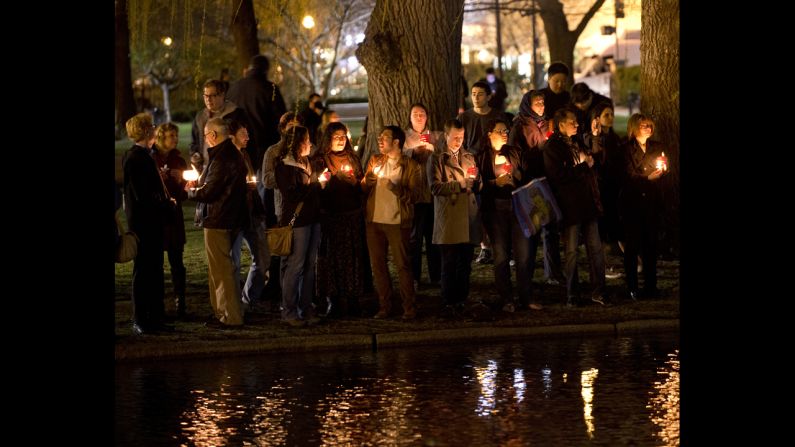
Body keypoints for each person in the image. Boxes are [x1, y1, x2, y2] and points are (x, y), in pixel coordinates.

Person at [186, 117, 249, 328]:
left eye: (205, 135)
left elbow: (210, 191)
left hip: (218, 218)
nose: (205, 139)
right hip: (229, 217)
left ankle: (229, 316)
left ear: (213, 135)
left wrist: (191, 192)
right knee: (222, 269)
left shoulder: (222, 158)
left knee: (221, 270)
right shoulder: (232, 154)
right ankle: (222, 312)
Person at [475, 118, 541, 312]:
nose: (505, 133)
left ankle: (526, 297)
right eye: (500, 130)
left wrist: (514, 179)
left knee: (523, 255)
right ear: (490, 133)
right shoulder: (481, 156)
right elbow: (478, 184)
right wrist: (496, 183)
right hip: (494, 210)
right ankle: (507, 299)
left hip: (517, 208)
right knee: (501, 255)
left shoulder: (514, 152)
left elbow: (528, 176)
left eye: (507, 130)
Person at [543, 107, 606, 307]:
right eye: (572, 122)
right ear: (561, 125)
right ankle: (572, 294)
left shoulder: (576, 141)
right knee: (571, 251)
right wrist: (582, 166)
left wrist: (595, 138)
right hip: (570, 207)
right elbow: (558, 176)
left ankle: (599, 291)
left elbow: (595, 161)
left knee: (595, 249)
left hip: (587, 203)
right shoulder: (552, 147)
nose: (577, 125)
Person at [361, 126, 423, 320]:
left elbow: (416, 195)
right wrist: (368, 180)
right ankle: (384, 306)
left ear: (396, 142)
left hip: (397, 222)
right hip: (374, 221)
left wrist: (395, 188)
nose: (380, 140)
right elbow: (363, 187)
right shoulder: (375, 160)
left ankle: (409, 307)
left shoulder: (411, 166)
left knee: (402, 264)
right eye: (379, 137)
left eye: (385, 137)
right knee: (378, 265)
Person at [122, 113, 173, 335]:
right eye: (151, 126)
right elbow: (142, 194)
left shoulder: (144, 156)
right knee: (144, 271)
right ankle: (142, 318)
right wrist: (165, 203)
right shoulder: (135, 158)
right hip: (145, 224)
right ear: (145, 131)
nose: (154, 128)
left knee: (154, 270)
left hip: (152, 223)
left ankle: (156, 316)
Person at [509, 90, 564, 285]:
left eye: (542, 101)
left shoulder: (548, 122)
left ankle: (553, 273)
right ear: (527, 105)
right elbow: (514, 154)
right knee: (533, 230)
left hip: (549, 179)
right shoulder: (520, 126)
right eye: (536, 102)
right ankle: (527, 276)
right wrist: (538, 152)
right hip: (531, 182)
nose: (541, 105)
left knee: (551, 228)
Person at [312, 122, 366, 318]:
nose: (341, 140)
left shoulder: (352, 157)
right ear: (328, 138)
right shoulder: (320, 159)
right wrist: (334, 179)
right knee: (332, 259)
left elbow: (361, 185)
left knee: (352, 259)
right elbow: (318, 186)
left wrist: (354, 182)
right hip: (331, 216)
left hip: (351, 215)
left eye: (343, 136)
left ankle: (353, 299)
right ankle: (332, 300)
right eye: (336, 136)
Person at [428, 119, 482, 316]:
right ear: (446, 135)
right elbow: (434, 187)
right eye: (455, 137)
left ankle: (462, 299)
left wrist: (476, 182)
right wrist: (459, 186)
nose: (459, 141)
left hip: (467, 214)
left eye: (462, 137)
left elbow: (478, 182)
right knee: (449, 262)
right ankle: (449, 301)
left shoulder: (468, 156)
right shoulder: (437, 158)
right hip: (449, 216)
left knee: (465, 262)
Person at [274, 125, 326, 326]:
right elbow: (292, 195)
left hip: (313, 219)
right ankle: (289, 311)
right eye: (306, 140)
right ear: (297, 143)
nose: (310, 144)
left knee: (309, 266)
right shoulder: (284, 167)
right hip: (297, 222)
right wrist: (314, 185)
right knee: (295, 266)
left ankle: (306, 308)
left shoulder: (308, 162)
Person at [619, 113, 667, 301]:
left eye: (650, 125)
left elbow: (664, 167)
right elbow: (627, 176)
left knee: (650, 246)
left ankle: (651, 286)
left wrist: (663, 169)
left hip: (651, 203)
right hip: (632, 204)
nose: (648, 128)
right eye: (644, 125)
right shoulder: (625, 149)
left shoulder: (657, 147)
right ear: (634, 128)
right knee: (632, 247)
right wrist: (647, 179)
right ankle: (632, 287)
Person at [228, 119, 270, 312]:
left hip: (252, 213)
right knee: (233, 263)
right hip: (235, 216)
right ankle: (234, 304)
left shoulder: (245, 154)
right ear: (232, 136)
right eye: (243, 133)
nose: (248, 137)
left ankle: (249, 297)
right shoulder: (226, 158)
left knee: (262, 259)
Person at [226, 54, 288, 177]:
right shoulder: (270, 89)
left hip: (236, 145)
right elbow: (281, 119)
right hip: (262, 145)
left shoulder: (234, 88)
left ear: (250, 68)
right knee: (261, 183)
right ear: (266, 69)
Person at [403, 103, 442, 290]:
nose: (419, 117)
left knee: (433, 237)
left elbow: (444, 156)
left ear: (427, 117)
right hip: (415, 195)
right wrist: (413, 152)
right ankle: (415, 277)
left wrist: (432, 149)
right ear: (409, 118)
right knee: (414, 239)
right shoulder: (404, 137)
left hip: (433, 194)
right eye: (415, 114)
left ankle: (436, 275)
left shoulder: (436, 136)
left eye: (422, 114)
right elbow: (398, 158)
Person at [151, 122, 189, 318]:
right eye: (171, 136)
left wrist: (180, 181)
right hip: (157, 217)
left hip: (174, 216)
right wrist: (161, 179)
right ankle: (156, 302)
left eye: (176, 135)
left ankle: (180, 300)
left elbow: (184, 192)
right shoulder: (151, 158)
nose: (175, 139)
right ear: (160, 138)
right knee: (156, 261)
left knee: (177, 260)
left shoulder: (179, 161)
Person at [189, 79, 250, 174]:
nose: (208, 99)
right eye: (206, 95)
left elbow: (245, 141)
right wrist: (195, 154)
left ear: (222, 95)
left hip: (228, 168)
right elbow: (194, 142)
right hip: (205, 168)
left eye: (213, 95)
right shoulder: (200, 117)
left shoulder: (236, 115)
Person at [539, 62, 571, 129]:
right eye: (556, 81)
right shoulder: (540, 97)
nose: (560, 85)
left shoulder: (569, 97)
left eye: (564, 81)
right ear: (549, 79)